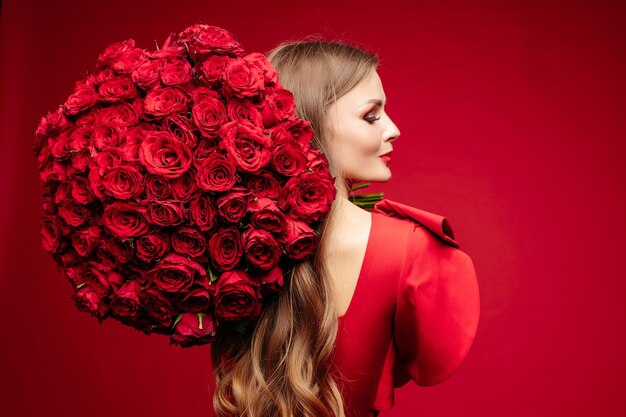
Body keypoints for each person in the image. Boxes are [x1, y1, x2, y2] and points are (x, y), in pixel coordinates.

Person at [208, 38, 480, 417]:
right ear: (310, 125)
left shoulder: (225, 246)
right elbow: (421, 361)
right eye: (371, 115)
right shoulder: (406, 247)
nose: (393, 129)